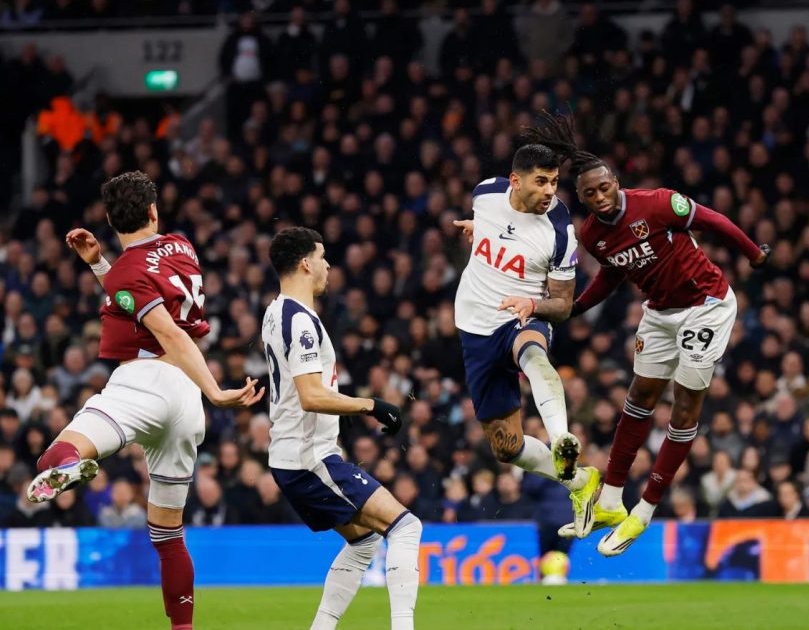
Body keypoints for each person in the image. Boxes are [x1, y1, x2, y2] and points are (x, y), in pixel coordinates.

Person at [511, 111, 769, 555]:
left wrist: (753, 254)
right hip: (660, 313)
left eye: (605, 187)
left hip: (705, 306)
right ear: (584, 198)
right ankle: (611, 500)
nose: (600, 197)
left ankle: (645, 511)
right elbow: (611, 276)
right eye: (590, 193)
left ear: (616, 183)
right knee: (639, 399)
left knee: (684, 407)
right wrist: (573, 308)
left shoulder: (659, 203)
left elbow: (713, 221)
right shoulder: (591, 235)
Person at [26, 171, 265, 630]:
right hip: (185, 401)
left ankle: (72, 466)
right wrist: (100, 266)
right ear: (154, 212)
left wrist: (217, 391)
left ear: (112, 221)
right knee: (169, 536)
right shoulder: (182, 246)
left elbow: (165, 329)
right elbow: (140, 295)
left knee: (54, 455)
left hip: (146, 381)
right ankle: (183, 628)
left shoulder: (127, 273)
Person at [260, 227, 417, 630]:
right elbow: (311, 395)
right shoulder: (300, 320)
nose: (329, 265)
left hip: (293, 457)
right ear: (305, 263)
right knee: (405, 526)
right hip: (309, 460)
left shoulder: (275, 311)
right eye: (323, 256)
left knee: (364, 540)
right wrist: (373, 405)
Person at [450, 140, 599, 539]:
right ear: (515, 181)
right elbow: (500, 228)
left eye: (554, 182)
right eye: (541, 182)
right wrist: (478, 230)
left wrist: (531, 303)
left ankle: (561, 436)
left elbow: (563, 305)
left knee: (531, 352)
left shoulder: (560, 231)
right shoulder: (485, 193)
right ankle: (579, 481)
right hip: (474, 326)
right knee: (506, 447)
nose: (551, 190)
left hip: (523, 316)